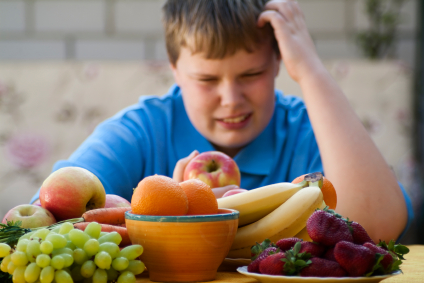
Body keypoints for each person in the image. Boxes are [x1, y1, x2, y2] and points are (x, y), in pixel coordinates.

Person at [30, 0, 412, 243]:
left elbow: (378, 228)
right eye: (208, 80)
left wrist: (310, 70)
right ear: (174, 69)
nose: (231, 98)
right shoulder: (142, 130)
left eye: (252, 74)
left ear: (278, 63)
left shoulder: (311, 129)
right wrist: (166, 217)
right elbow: (44, 221)